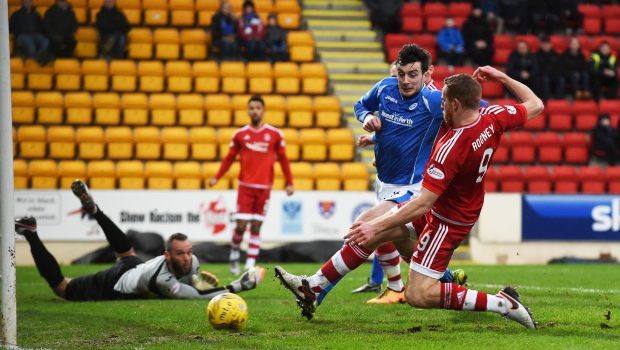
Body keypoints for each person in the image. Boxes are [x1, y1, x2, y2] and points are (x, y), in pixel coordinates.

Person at [276, 66, 544, 329]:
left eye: (445, 103)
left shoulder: (451, 149)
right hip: (452, 204)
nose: (441, 107)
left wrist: (375, 226)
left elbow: (422, 203)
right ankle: (314, 287)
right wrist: (502, 77)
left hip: (447, 219)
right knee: (386, 228)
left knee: (418, 294)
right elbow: (535, 104)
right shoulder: (492, 116)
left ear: (456, 104)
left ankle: (502, 303)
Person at [15, 180, 264, 301]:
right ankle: (31, 233)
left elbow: (192, 281)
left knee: (127, 251)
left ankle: (95, 211)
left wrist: (197, 279)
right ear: (167, 255)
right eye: (181, 254)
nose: (188, 257)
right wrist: (237, 286)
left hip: (135, 265)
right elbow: (196, 298)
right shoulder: (164, 281)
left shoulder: (193, 261)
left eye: (189, 252)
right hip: (117, 281)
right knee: (62, 287)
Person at [353, 62, 466, 297]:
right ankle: (445, 277)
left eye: (405, 76)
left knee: (386, 229)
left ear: (426, 73)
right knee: (397, 237)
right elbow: (401, 128)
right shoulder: (399, 94)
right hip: (392, 176)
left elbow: (435, 136)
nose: (401, 83)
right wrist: (377, 140)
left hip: (419, 181)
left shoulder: (436, 100)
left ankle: (394, 286)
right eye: (396, 76)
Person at [209, 96, 294, 275]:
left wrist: (289, 182)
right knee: (241, 225)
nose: (255, 111)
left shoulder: (275, 135)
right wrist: (217, 177)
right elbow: (229, 158)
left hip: (264, 188)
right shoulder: (240, 135)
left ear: (263, 110)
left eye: (258, 108)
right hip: (245, 187)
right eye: (252, 108)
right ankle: (234, 252)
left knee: (256, 225)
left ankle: (249, 265)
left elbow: (284, 160)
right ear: (248, 111)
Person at [536, 36, 563, 100]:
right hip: (542, 76)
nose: (546, 46)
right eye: (544, 44)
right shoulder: (536, 55)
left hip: (553, 75)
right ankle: (546, 99)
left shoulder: (555, 55)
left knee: (561, 79)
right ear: (541, 45)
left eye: (547, 44)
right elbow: (537, 69)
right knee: (545, 79)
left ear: (550, 45)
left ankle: (558, 99)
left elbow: (559, 67)